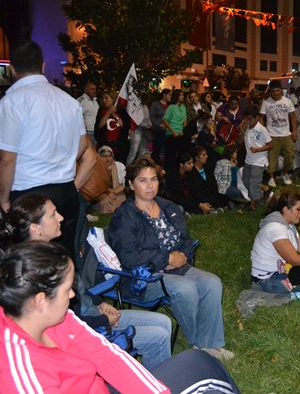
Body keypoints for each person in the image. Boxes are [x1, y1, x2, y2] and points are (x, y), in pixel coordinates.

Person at [0, 241, 242, 394]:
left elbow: (107, 356)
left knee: (199, 361)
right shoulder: (20, 373)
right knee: (206, 375)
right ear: (40, 301)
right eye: (67, 290)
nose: (73, 295)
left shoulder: (57, 318)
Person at [2, 194, 172, 370]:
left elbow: (79, 289)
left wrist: (100, 303)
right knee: (157, 337)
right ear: (35, 228)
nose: (61, 217)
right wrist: (103, 321)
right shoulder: (34, 270)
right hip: (86, 331)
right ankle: (154, 381)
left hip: (94, 316)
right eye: (53, 215)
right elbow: (67, 324)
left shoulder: (52, 252)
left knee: (164, 322)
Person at [108, 158, 234, 360]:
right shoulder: (124, 216)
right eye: (142, 180)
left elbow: (185, 239)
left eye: (153, 179)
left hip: (177, 266)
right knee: (185, 288)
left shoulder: (168, 207)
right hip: (142, 277)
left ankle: (209, 344)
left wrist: (183, 255)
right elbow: (129, 257)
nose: (150, 185)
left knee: (212, 282)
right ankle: (199, 342)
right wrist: (166, 259)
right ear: (130, 185)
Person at [0, 40, 92, 266]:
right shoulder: (68, 100)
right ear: (42, 66)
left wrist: (3, 200)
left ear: (12, 69)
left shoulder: (12, 102)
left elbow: (7, 159)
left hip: (29, 195)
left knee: (30, 262)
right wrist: (61, 163)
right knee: (64, 259)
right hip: (65, 191)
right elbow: (83, 146)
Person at [260, 80, 297, 187]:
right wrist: (264, 131)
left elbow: (292, 117)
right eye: (273, 91)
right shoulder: (266, 103)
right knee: (272, 157)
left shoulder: (287, 101)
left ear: (281, 90)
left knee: (290, 154)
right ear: (270, 91)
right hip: (272, 134)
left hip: (286, 134)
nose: (275, 93)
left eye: (277, 90)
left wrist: (294, 131)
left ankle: (284, 173)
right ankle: (271, 178)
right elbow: (261, 118)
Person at [240, 104, 273, 211]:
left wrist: (258, 150)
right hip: (248, 160)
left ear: (257, 118)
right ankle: (258, 197)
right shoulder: (247, 128)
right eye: (246, 119)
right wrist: (242, 130)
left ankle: (253, 206)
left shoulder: (262, 129)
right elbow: (240, 142)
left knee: (253, 182)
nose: (248, 121)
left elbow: (271, 145)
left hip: (259, 160)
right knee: (246, 180)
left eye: (250, 119)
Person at [186, 146, 230, 212]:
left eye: (206, 154)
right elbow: (193, 190)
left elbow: (214, 185)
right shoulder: (191, 172)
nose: (206, 156)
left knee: (223, 198)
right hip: (200, 198)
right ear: (197, 158)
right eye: (203, 155)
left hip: (211, 195)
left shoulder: (208, 168)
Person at [91, 145, 126, 214]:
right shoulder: (96, 167)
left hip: (117, 192)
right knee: (104, 200)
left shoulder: (120, 166)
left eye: (110, 156)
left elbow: (124, 185)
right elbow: (97, 187)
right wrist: (109, 192)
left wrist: (114, 192)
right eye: (105, 156)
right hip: (102, 193)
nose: (108, 159)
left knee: (122, 199)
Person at [96, 90, 126, 162]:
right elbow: (99, 125)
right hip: (105, 144)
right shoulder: (102, 111)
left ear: (113, 99)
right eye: (103, 98)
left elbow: (124, 126)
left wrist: (115, 116)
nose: (104, 100)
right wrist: (108, 112)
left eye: (106, 98)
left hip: (118, 146)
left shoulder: (122, 112)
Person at [163, 89, 187, 169]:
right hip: (172, 133)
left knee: (181, 154)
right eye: (180, 95)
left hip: (181, 133)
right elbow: (165, 120)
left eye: (183, 95)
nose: (182, 97)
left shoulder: (183, 107)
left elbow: (185, 120)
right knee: (171, 155)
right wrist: (173, 131)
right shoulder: (171, 107)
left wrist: (184, 130)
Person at [150, 88, 171, 164]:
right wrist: (158, 124)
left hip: (167, 130)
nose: (170, 97)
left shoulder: (170, 106)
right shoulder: (155, 104)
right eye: (169, 95)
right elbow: (151, 116)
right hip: (158, 130)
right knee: (157, 149)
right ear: (164, 95)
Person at [78, 81, 100, 146]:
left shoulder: (95, 100)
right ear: (86, 90)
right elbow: (77, 117)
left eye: (95, 89)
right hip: (88, 133)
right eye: (92, 89)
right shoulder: (82, 101)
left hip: (96, 133)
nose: (95, 91)